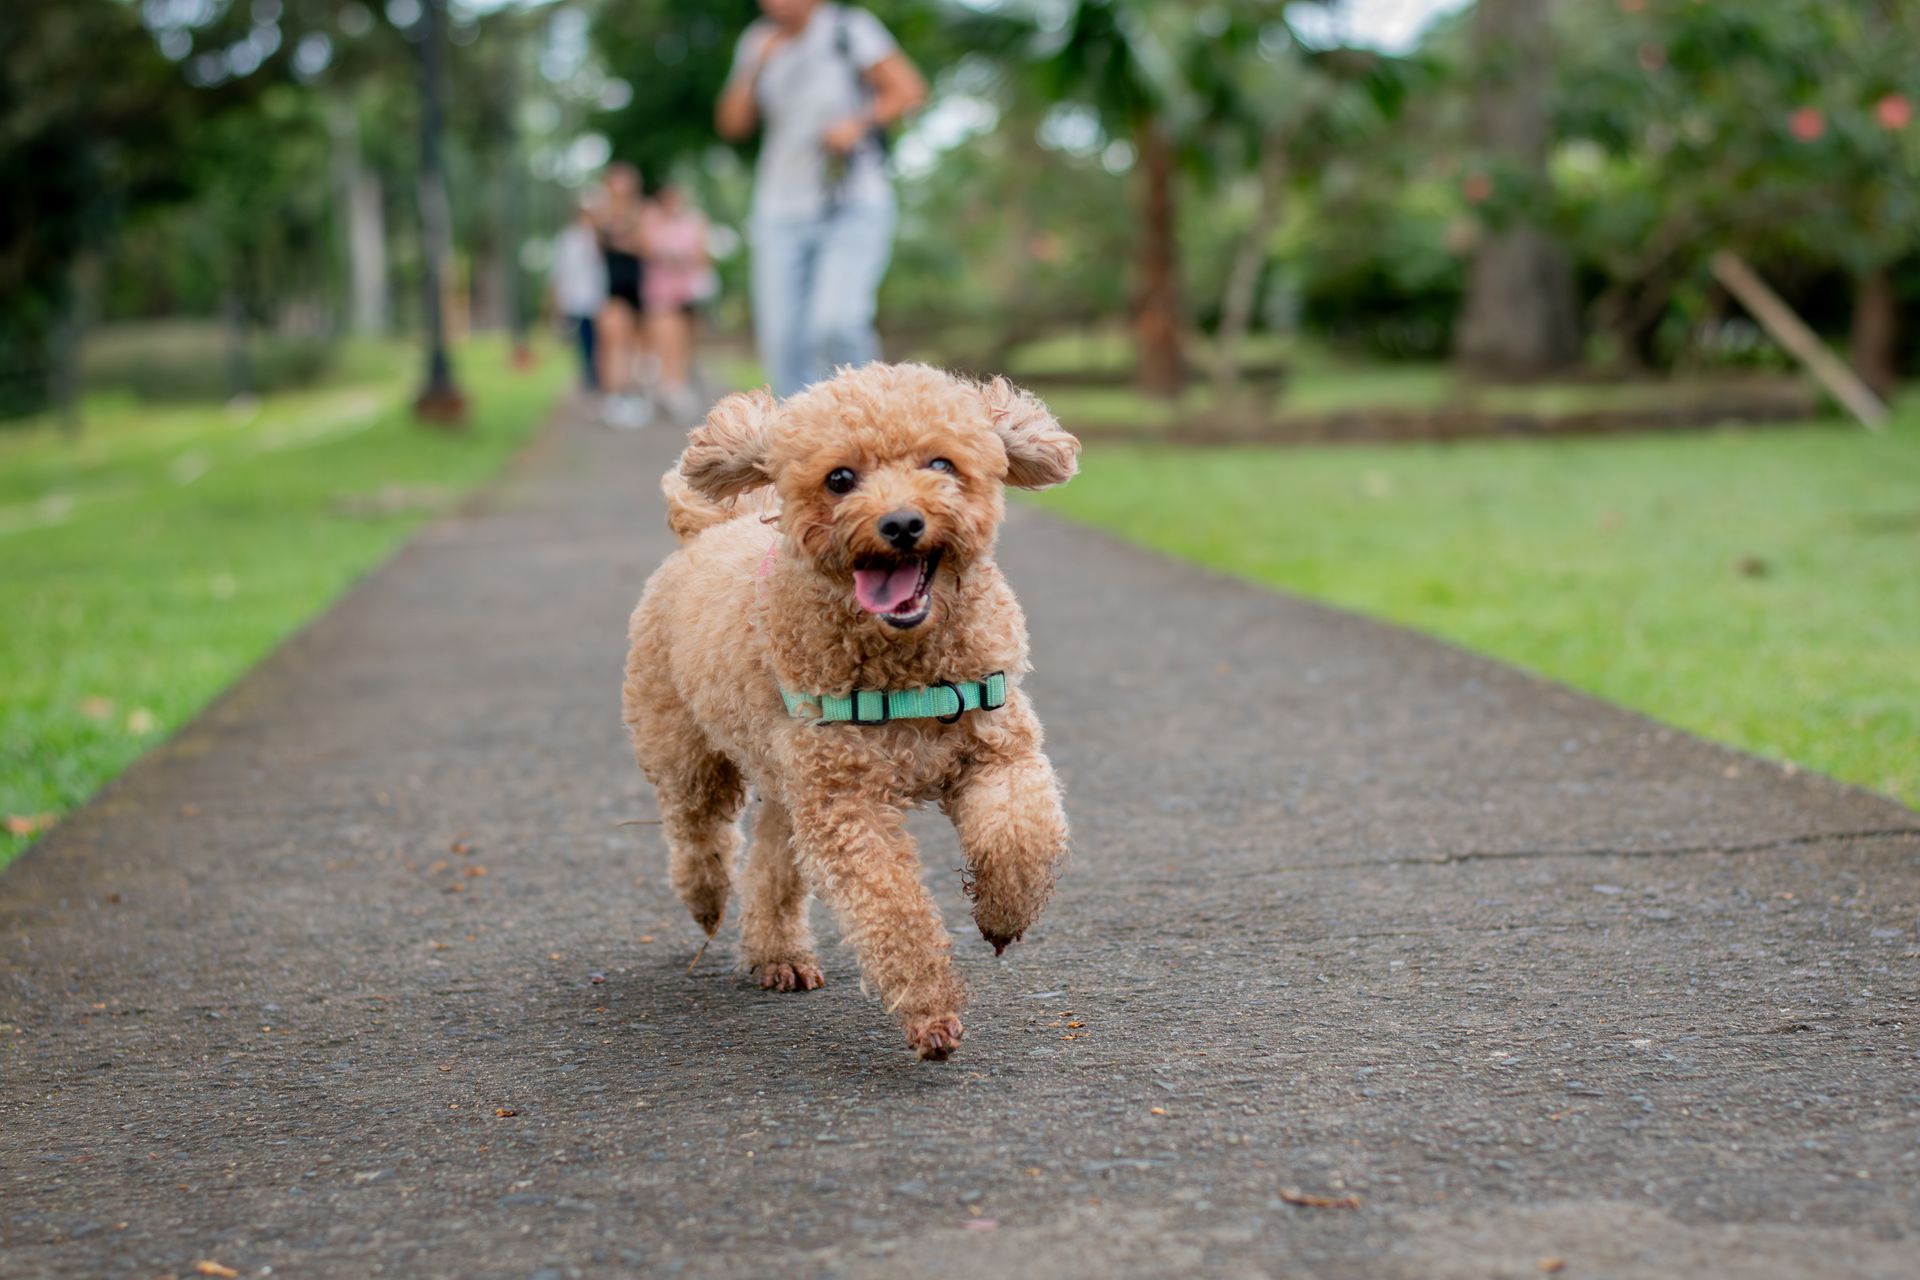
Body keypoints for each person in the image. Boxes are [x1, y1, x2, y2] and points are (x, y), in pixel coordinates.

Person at [717, 0, 926, 397]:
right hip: (779, 207)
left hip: (851, 201)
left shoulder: (850, 28)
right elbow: (732, 125)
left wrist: (858, 124)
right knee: (782, 343)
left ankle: (875, 422)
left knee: (836, 322)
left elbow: (909, 90)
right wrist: (754, 66)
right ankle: (799, 449)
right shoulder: (756, 41)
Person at [640, 183, 715, 422]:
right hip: (660, 293)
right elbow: (644, 247)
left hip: (686, 293)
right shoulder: (651, 219)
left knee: (683, 341)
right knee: (665, 338)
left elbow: (702, 257)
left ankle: (676, 385)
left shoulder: (694, 222)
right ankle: (668, 387)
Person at [590, 162, 652, 428]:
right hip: (611, 288)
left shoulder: (642, 212)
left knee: (635, 346)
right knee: (613, 341)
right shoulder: (600, 212)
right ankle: (615, 396)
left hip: (639, 288)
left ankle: (629, 395)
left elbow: (645, 245)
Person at [549, 203, 608, 396]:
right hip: (577, 299)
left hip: (598, 298)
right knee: (585, 339)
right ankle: (589, 376)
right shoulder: (568, 239)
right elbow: (561, 270)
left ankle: (599, 375)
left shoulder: (599, 237)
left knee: (600, 339)